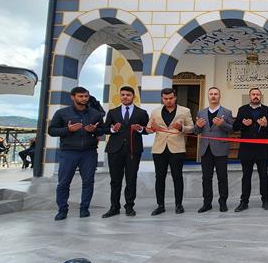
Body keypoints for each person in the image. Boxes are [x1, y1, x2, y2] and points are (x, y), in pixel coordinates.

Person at [47, 87, 104, 220]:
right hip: (68, 152)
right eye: (80, 96)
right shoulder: (62, 113)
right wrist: (68, 129)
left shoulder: (95, 114)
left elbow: (102, 130)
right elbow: (52, 130)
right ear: (73, 97)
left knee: (88, 182)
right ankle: (62, 210)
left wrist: (94, 130)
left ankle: (84, 209)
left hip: (89, 152)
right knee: (63, 182)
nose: (84, 99)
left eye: (86, 96)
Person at [101, 86, 149, 218]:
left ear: (134, 96)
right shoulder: (112, 112)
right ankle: (114, 207)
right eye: (122, 95)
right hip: (115, 150)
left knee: (131, 179)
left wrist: (140, 129)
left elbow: (147, 129)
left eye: (128, 95)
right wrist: (113, 129)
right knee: (115, 180)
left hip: (133, 150)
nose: (125, 97)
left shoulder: (141, 113)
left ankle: (129, 206)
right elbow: (104, 129)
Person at [146, 88, 194, 216]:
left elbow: (191, 128)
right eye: (166, 99)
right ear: (162, 99)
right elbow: (148, 128)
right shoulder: (155, 112)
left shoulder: (185, 111)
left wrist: (181, 127)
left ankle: (179, 205)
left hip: (177, 149)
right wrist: (152, 128)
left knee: (177, 177)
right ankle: (160, 205)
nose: (168, 101)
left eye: (171, 98)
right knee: (159, 177)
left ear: (175, 97)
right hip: (159, 149)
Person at [233, 88, 268, 212]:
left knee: (264, 176)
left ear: (260, 96)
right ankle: (244, 202)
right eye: (253, 94)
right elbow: (235, 127)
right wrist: (243, 124)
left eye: (257, 94)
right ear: (249, 96)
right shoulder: (242, 109)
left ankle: (265, 201)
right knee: (246, 176)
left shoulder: (267, 110)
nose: (255, 96)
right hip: (246, 149)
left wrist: (266, 124)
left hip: (262, 149)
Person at [194, 87, 234, 213]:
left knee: (222, 177)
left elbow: (231, 129)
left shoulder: (227, 112)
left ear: (219, 96)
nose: (213, 96)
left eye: (216, 94)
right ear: (208, 96)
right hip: (206, 149)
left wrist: (222, 124)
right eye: (211, 94)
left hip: (221, 149)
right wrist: (197, 126)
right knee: (206, 178)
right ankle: (207, 203)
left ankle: (223, 202)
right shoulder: (201, 112)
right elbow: (196, 131)